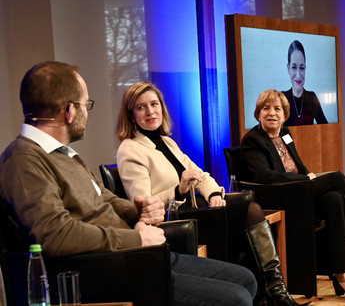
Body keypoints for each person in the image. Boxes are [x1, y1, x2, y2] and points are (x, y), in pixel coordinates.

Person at [0, 61, 257, 306]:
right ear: (68, 111)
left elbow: (104, 198)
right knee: (236, 298)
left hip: (134, 257)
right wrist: (135, 239)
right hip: (107, 270)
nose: (86, 113)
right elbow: (55, 235)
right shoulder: (23, 160)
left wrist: (137, 209)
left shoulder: (64, 154)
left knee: (247, 280)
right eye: (85, 105)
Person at [115, 81, 305, 306]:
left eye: (154, 104)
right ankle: (273, 293)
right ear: (131, 114)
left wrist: (214, 193)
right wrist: (178, 190)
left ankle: (272, 290)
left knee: (250, 209)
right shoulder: (130, 149)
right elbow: (143, 205)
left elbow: (200, 175)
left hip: (196, 211)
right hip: (175, 222)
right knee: (247, 214)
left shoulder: (166, 142)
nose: (150, 111)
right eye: (141, 107)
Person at [240, 89, 345, 303]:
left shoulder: (285, 133)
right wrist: (306, 181)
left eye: (277, 109)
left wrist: (307, 176)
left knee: (335, 200)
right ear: (258, 113)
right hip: (279, 198)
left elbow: (298, 166)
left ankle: (342, 276)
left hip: (299, 193)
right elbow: (267, 177)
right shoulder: (252, 139)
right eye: (266, 108)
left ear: (284, 114)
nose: (272, 113)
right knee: (337, 178)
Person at [282, 40, 328, 126]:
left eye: (302, 68)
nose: (298, 75)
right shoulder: (282, 98)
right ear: (288, 68)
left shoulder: (312, 98)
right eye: (294, 67)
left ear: (305, 69)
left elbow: (326, 127)